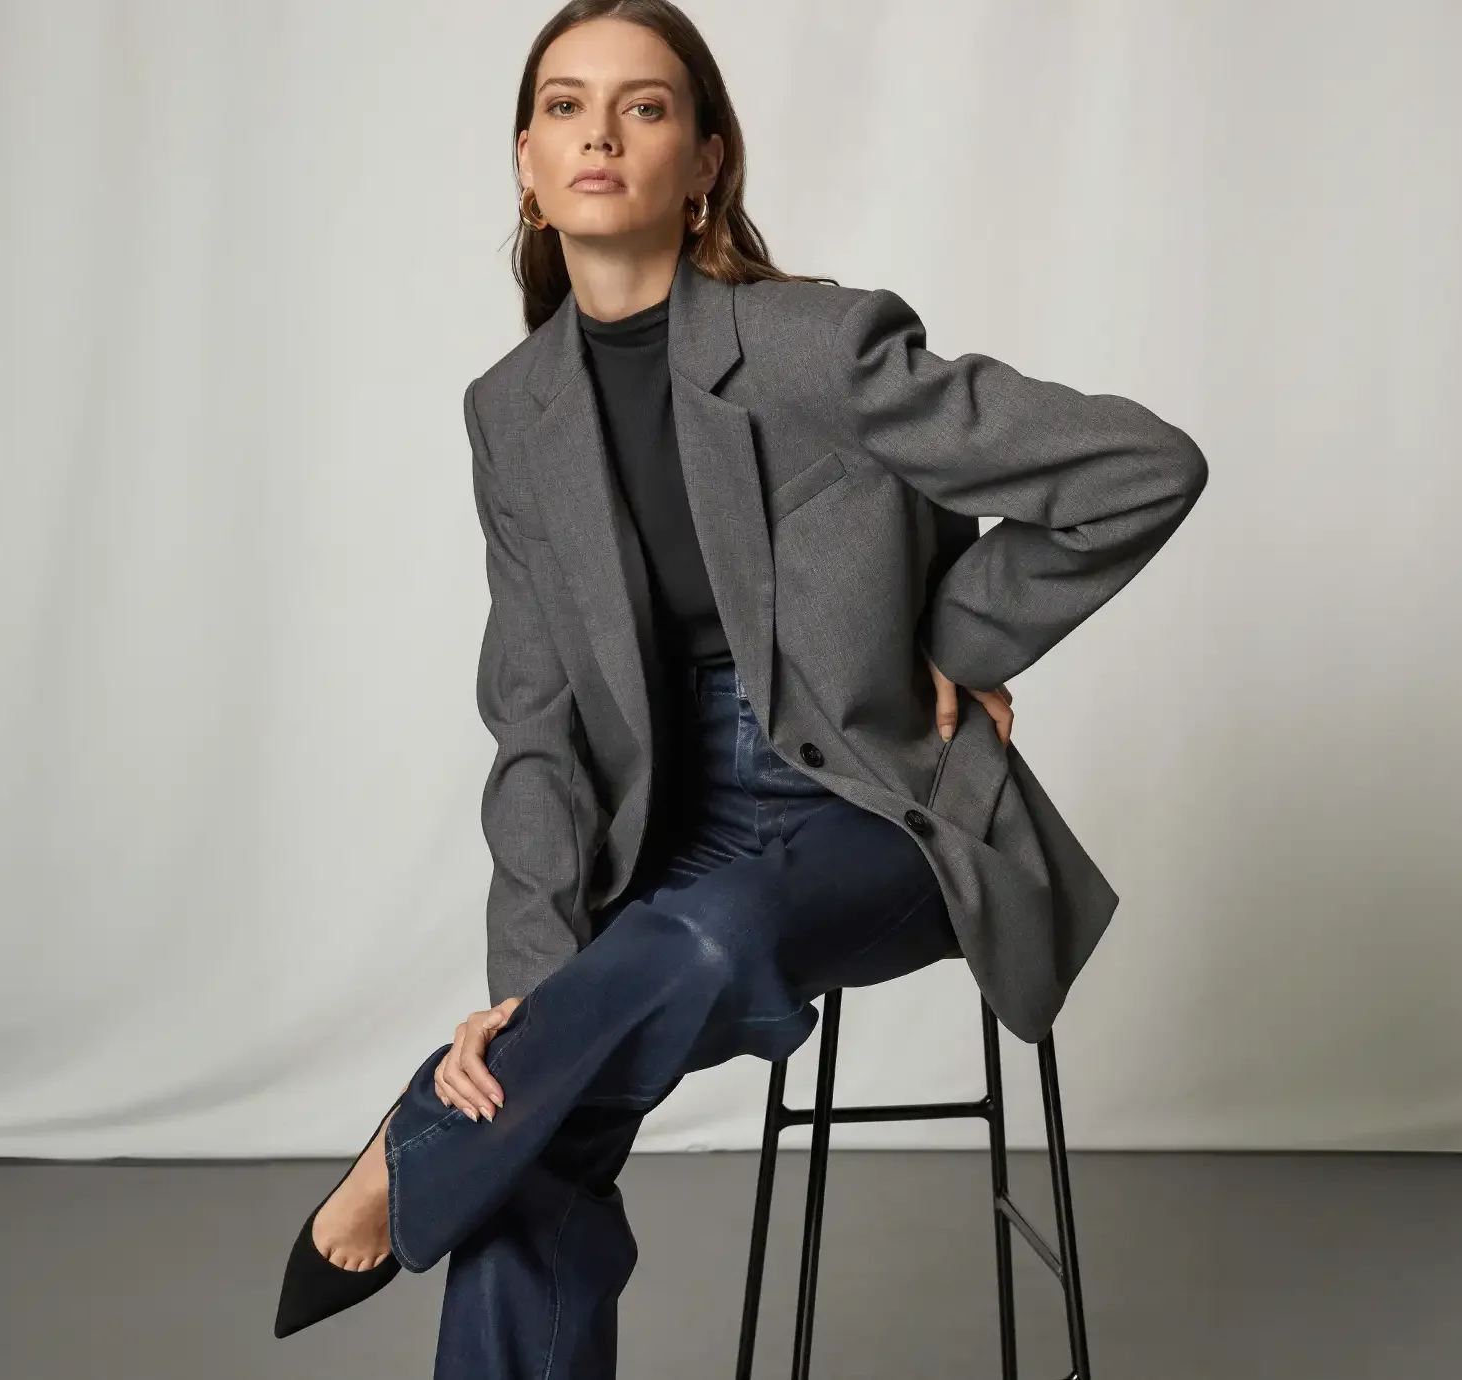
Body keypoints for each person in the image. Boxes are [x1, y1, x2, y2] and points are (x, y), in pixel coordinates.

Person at [274, 1, 1208, 1373]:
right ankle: (476, 1130)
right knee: (537, 1140)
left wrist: (954, 642)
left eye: (645, 107)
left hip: (878, 809)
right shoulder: (512, 414)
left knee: (714, 937)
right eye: (563, 105)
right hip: (675, 822)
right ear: (525, 163)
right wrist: (529, 988)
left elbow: (1141, 468)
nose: (599, 132)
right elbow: (533, 725)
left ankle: (419, 1140)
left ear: (706, 160)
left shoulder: (811, 348)